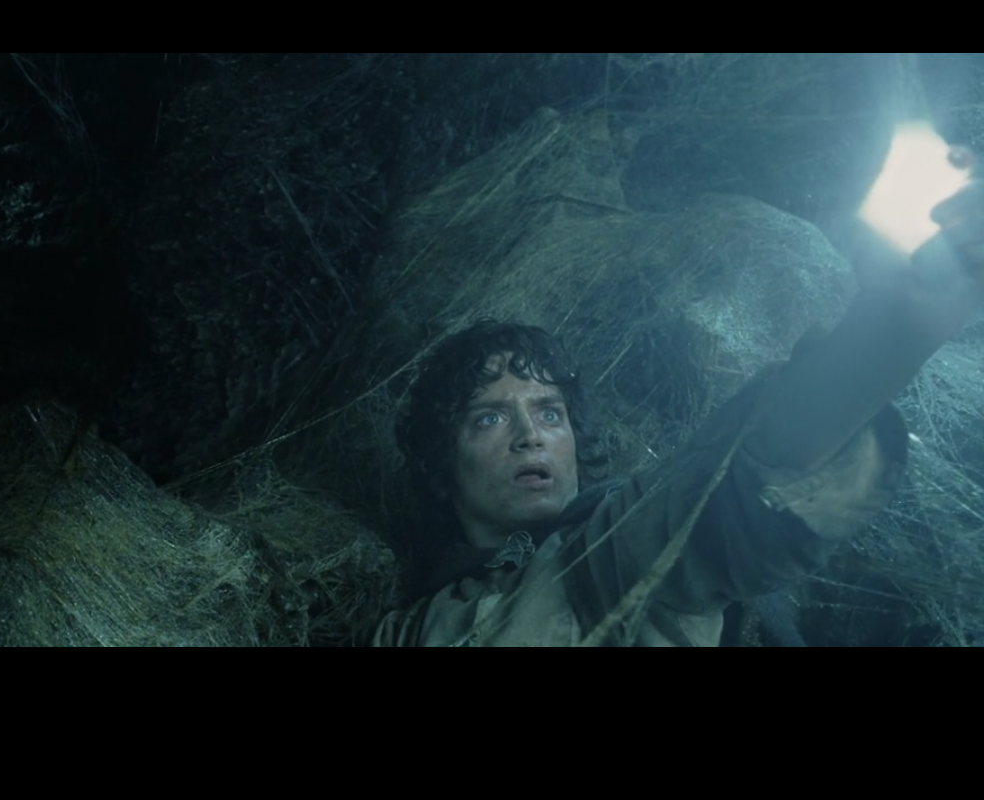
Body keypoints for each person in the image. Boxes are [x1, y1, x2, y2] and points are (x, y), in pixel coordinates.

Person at [373, 149, 984, 647]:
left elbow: (716, 500)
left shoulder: (605, 545)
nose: (530, 436)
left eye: (550, 412)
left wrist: (897, 329)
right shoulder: (404, 628)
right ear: (442, 466)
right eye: (490, 417)